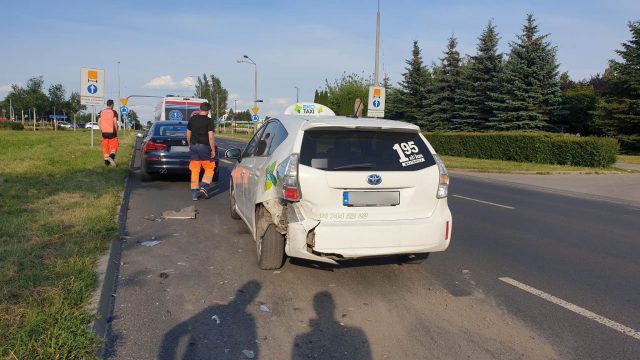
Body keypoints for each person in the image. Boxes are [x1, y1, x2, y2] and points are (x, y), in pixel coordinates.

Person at [187, 102, 216, 201]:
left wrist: (189, 144)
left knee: (195, 169)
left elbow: (188, 133)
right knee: (210, 167)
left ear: (200, 109)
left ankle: (195, 194)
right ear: (208, 111)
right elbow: (211, 136)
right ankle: (204, 186)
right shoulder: (209, 121)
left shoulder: (192, 119)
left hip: (194, 146)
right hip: (205, 147)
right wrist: (212, 150)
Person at [98, 99, 119, 166]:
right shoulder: (113, 112)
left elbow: (99, 122)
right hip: (112, 132)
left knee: (105, 147)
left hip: (104, 133)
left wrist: (101, 129)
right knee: (114, 146)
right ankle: (111, 157)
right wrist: (116, 130)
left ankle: (106, 163)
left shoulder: (101, 112)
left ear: (107, 104)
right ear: (112, 105)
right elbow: (115, 122)